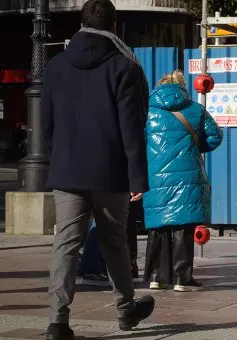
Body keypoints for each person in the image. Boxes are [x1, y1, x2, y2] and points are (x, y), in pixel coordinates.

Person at [42, 0, 155, 338]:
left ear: (81, 22)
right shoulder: (124, 66)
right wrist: (138, 177)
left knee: (66, 244)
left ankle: (57, 321)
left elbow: (47, 124)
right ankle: (125, 312)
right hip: (110, 173)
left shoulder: (57, 66)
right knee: (114, 243)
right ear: (114, 26)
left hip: (68, 172)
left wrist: (59, 158)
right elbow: (131, 129)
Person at [143, 70, 223, 292]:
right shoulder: (196, 109)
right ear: (182, 87)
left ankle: (155, 277)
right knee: (182, 226)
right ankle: (181, 279)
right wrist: (195, 149)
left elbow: (138, 141)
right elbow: (215, 136)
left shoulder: (148, 112)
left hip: (155, 176)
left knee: (157, 226)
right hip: (187, 175)